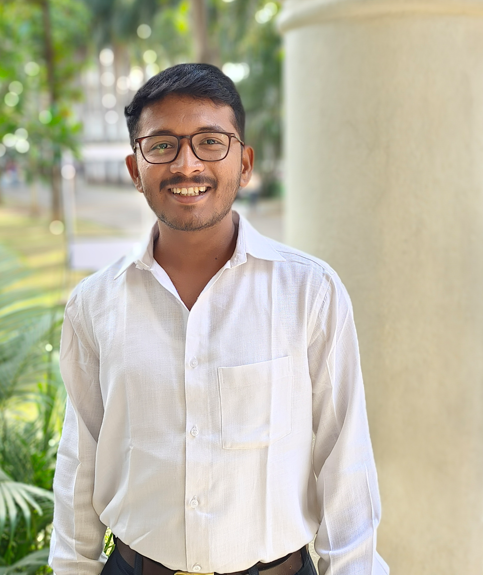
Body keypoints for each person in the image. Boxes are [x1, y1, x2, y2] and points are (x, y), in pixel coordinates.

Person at [49, 63, 389, 575]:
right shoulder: (94, 304)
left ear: (244, 164)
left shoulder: (309, 292)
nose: (186, 164)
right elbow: (81, 459)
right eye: (162, 145)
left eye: (210, 142)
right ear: (135, 169)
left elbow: (345, 460)